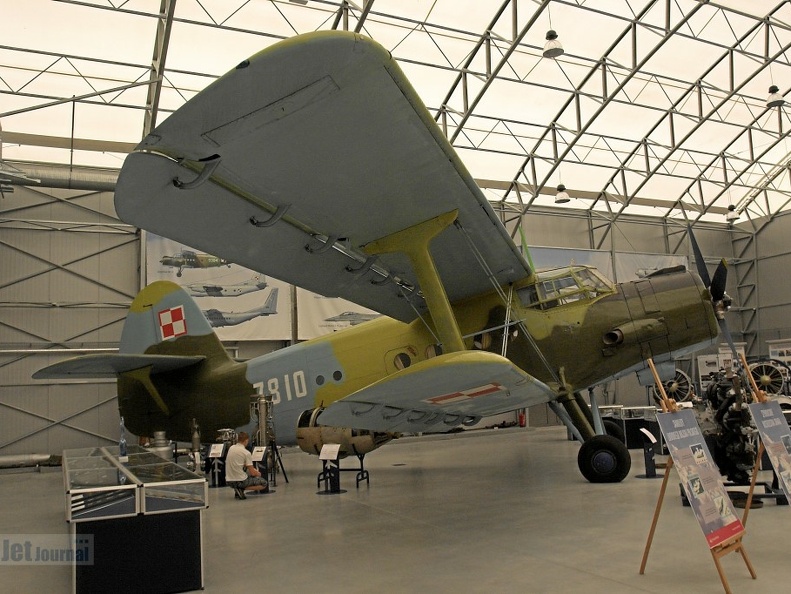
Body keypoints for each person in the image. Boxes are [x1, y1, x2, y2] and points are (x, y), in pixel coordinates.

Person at [225, 432, 268, 500]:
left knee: (245, 473)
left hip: (229, 481)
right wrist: (258, 473)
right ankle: (241, 488)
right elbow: (253, 473)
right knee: (264, 483)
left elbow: (239, 462)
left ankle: (238, 490)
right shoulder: (246, 453)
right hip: (240, 481)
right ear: (246, 440)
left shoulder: (231, 448)